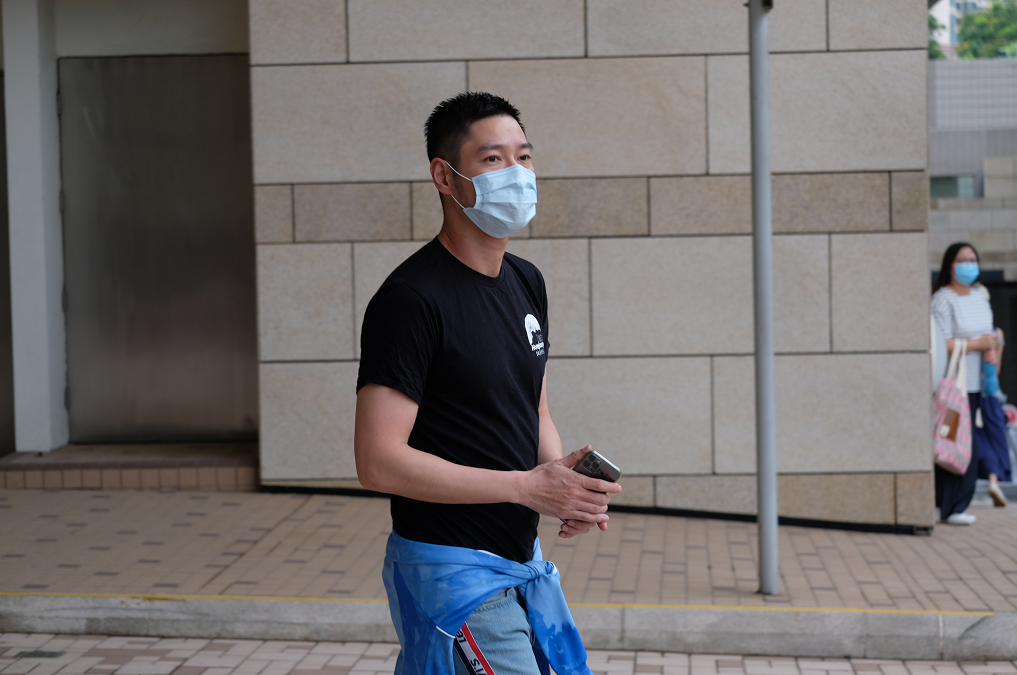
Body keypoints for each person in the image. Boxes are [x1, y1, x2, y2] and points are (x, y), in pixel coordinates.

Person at [354, 92, 621, 675]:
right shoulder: (410, 301)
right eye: (493, 159)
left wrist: (564, 486)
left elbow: (534, 410)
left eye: (524, 156)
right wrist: (527, 488)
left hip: (519, 560)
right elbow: (377, 462)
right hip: (453, 576)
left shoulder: (526, 281)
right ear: (445, 176)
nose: (517, 173)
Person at [931, 243, 999, 524]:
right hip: (951, 387)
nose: (969, 264)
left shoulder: (980, 297)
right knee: (950, 440)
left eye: (973, 259)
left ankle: (960, 504)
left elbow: (989, 335)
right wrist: (978, 344)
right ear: (950, 265)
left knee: (968, 443)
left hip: (977, 384)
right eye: (962, 260)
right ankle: (949, 506)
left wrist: (991, 346)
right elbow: (941, 342)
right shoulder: (942, 300)